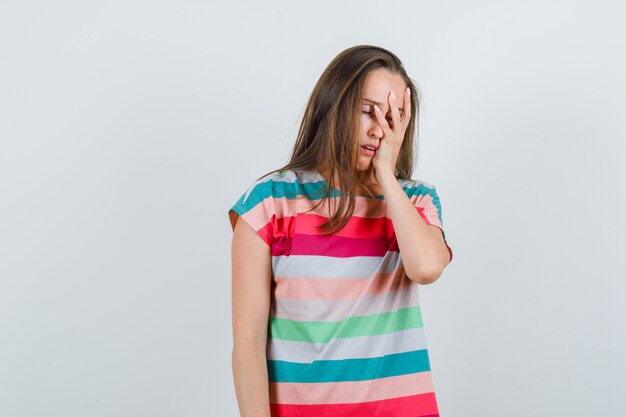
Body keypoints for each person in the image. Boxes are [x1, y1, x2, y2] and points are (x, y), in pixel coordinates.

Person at [228, 45, 453, 417]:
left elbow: (426, 268)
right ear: (335, 104)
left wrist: (385, 173)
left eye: (394, 118)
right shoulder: (268, 202)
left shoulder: (414, 200)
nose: (379, 129)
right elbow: (247, 344)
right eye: (367, 110)